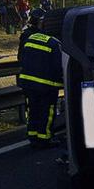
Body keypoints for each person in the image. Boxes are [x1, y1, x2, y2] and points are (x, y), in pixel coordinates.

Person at [17, 10, 63, 148]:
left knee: (33, 109)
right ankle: (45, 138)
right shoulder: (54, 43)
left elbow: (21, 58)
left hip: (27, 82)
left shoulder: (29, 37)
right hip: (45, 85)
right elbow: (58, 66)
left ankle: (32, 136)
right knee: (47, 111)